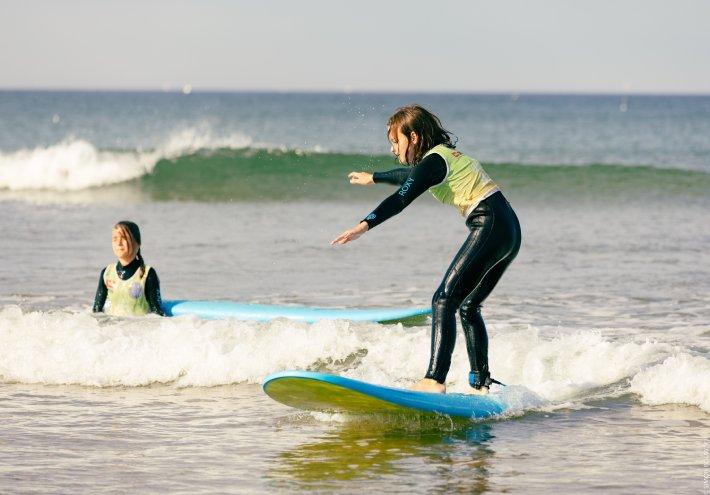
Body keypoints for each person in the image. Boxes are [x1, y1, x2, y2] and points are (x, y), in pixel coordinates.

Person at [331, 105, 521, 395]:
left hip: (490, 223)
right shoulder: (441, 158)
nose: (393, 149)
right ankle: (481, 382)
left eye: (396, 141)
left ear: (415, 137)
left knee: (444, 300)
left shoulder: (434, 161)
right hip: (508, 229)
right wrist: (376, 177)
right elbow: (409, 177)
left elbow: (401, 198)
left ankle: (434, 380)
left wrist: (364, 224)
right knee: (468, 306)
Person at [93, 220, 165, 316]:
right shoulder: (107, 273)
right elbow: (97, 310)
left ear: (138, 243)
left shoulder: (147, 274)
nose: (118, 243)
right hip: (113, 329)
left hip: (136, 328)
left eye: (124, 238)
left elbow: (157, 313)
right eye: (115, 239)